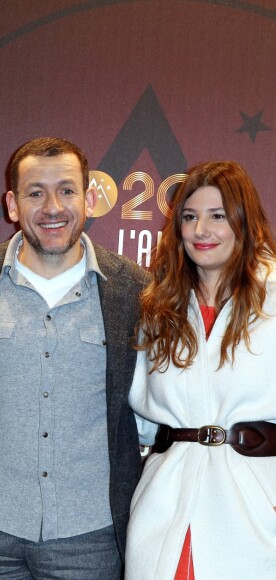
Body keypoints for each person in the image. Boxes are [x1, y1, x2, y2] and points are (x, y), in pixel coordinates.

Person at [0, 137, 149, 579]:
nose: (52, 206)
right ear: (12, 204)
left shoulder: (133, 289)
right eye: (35, 192)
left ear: (90, 198)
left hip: (91, 538)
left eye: (67, 190)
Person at [126, 161, 276, 580]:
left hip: (255, 511)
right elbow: (139, 416)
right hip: (165, 506)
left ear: (244, 223)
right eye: (190, 217)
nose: (200, 231)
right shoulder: (158, 308)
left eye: (217, 216)